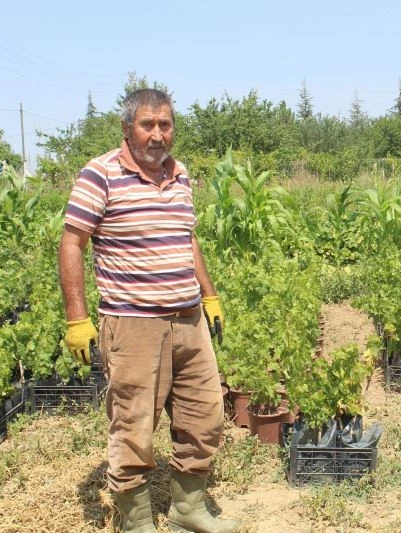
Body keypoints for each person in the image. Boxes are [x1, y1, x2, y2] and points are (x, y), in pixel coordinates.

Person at [58, 88, 240, 533]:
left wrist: (209, 294)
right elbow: (71, 243)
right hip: (133, 324)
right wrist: (76, 319)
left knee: (205, 414)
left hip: (188, 320)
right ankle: (135, 521)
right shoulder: (100, 175)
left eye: (165, 124)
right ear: (127, 129)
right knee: (134, 425)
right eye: (147, 124)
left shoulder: (180, 175)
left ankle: (187, 509)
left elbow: (186, 239)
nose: (157, 134)